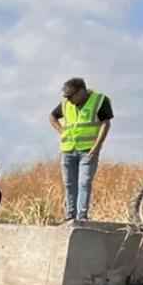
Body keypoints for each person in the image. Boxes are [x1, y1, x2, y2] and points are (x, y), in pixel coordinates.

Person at [49, 78, 113, 223]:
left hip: (88, 151)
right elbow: (52, 116)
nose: (69, 99)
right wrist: (62, 131)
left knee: (84, 183)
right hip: (68, 150)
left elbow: (105, 123)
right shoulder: (66, 104)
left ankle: (82, 217)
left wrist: (97, 147)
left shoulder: (99, 100)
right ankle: (70, 216)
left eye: (71, 96)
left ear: (82, 91)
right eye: (67, 97)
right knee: (69, 184)